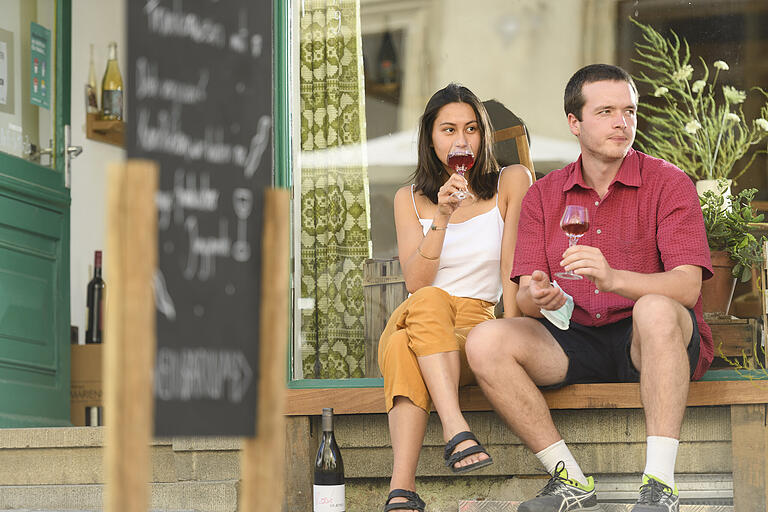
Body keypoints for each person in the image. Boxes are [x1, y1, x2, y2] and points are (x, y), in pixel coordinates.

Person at [465, 64, 713, 512]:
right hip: (571, 336)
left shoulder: (669, 183)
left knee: (655, 308)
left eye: (629, 111)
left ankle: (660, 488)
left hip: (649, 340)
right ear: (574, 123)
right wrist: (541, 295)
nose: (623, 122)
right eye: (606, 112)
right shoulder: (544, 194)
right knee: (485, 340)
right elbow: (522, 296)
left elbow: (687, 287)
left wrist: (613, 278)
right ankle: (571, 483)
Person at [378, 83, 532, 512]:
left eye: (470, 129)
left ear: (483, 135)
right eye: (448, 130)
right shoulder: (408, 199)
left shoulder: (511, 180)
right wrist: (442, 215)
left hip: (475, 326)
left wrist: (521, 334)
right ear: (430, 137)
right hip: (423, 312)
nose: (461, 141)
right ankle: (455, 429)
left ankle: (402, 489)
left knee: (398, 345)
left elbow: (512, 268)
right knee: (427, 300)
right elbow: (415, 281)